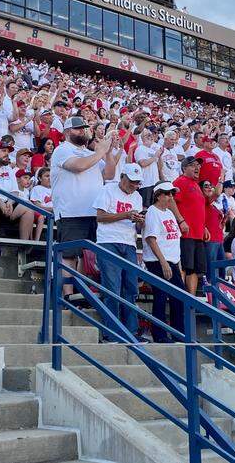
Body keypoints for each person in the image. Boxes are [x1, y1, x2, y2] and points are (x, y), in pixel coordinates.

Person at [51, 116, 117, 295]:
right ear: (66, 132)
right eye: (78, 128)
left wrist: (108, 152)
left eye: (84, 128)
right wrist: (100, 152)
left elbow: (109, 174)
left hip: (93, 212)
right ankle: (68, 295)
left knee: (87, 255)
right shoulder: (62, 149)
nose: (82, 131)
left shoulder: (90, 153)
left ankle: (80, 293)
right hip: (71, 211)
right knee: (69, 255)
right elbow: (78, 166)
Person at [92, 163, 145, 341]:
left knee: (131, 287)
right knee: (112, 288)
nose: (134, 185)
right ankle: (112, 332)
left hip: (129, 242)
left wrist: (140, 221)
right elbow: (100, 216)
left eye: (137, 182)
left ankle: (131, 331)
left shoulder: (137, 196)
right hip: (108, 241)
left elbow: (136, 225)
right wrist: (126, 215)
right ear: (122, 177)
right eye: (131, 181)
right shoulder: (108, 190)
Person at [143, 182, 185, 343]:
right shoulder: (152, 212)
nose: (171, 197)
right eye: (167, 194)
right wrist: (163, 262)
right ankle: (159, 335)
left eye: (172, 194)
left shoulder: (169, 213)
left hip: (172, 260)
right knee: (160, 297)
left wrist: (177, 264)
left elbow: (174, 241)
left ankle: (178, 334)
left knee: (178, 298)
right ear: (158, 195)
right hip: (158, 261)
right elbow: (151, 239)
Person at [173, 156, 208, 296]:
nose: (197, 168)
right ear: (184, 168)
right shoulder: (180, 181)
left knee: (194, 269)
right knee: (184, 266)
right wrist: (181, 221)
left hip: (197, 233)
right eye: (193, 165)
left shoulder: (196, 184)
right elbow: (171, 202)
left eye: (198, 166)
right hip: (186, 233)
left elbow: (197, 208)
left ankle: (191, 299)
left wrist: (203, 227)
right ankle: (181, 297)